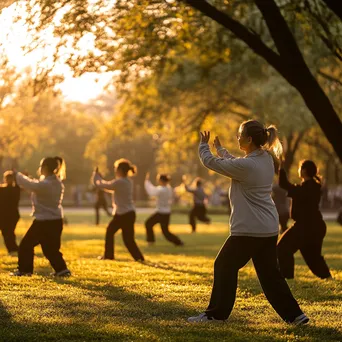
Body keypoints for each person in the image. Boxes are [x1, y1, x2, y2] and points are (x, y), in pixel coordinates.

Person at [188, 120, 308, 325]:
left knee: (224, 264)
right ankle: (296, 316)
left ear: (249, 139)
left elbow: (213, 163)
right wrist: (222, 150)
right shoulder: (265, 159)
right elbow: (235, 163)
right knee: (270, 275)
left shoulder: (247, 165)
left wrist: (203, 147)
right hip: (268, 228)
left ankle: (216, 315)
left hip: (250, 229)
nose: (237, 137)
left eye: (239, 134)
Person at [10, 157, 71, 277]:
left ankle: (24, 270)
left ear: (46, 168)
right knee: (50, 248)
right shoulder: (56, 182)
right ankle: (62, 270)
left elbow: (32, 185)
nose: (39, 169)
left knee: (25, 245)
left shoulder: (47, 184)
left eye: (41, 166)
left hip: (44, 221)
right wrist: (24, 177)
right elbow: (34, 185)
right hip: (56, 220)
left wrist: (18, 175)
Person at [277, 160, 332, 280]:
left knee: (283, 248)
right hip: (314, 226)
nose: (299, 170)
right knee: (313, 257)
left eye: (300, 168)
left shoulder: (309, 187)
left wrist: (281, 168)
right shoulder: (310, 186)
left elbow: (284, 184)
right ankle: (327, 277)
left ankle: (287, 278)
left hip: (306, 227)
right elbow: (287, 185)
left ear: (304, 170)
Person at [93, 158, 144, 261]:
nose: (115, 170)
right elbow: (108, 187)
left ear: (120, 170)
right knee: (128, 239)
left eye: (116, 168)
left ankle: (109, 256)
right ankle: (139, 258)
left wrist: (96, 176)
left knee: (111, 232)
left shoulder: (119, 182)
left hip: (123, 214)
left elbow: (101, 185)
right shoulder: (128, 181)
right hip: (129, 213)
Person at [144, 172, 183, 246]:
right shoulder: (168, 189)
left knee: (148, 224)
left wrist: (147, 181)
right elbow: (154, 190)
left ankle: (151, 241)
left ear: (161, 180)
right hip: (166, 213)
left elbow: (151, 191)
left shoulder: (161, 190)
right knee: (165, 232)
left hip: (161, 213)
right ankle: (178, 242)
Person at [0, 171, 21, 255]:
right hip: (4, 216)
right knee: (8, 233)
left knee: (8, 233)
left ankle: (13, 249)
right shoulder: (3, 189)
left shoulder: (15, 189)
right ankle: (13, 249)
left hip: (11, 216)